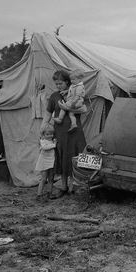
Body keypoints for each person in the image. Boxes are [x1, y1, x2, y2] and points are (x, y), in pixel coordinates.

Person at [40, 70, 87, 199]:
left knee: (73, 157)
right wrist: (42, 128)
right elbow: (48, 114)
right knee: (61, 157)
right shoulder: (55, 96)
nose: (58, 86)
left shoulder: (75, 93)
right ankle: (64, 188)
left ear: (68, 81)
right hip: (60, 132)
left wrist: (67, 107)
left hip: (74, 132)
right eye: (56, 84)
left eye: (61, 83)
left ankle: (72, 187)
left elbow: (84, 109)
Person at [35, 123, 57, 201]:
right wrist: (54, 145)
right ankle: (39, 194)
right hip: (44, 162)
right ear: (43, 134)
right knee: (44, 178)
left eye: (51, 134)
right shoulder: (43, 141)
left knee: (51, 178)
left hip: (51, 161)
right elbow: (45, 148)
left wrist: (54, 143)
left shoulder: (52, 141)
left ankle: (49, 192)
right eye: (47, 134)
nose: (50, 136)